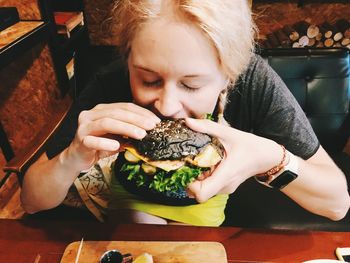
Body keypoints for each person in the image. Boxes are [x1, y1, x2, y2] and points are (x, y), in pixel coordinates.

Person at [21, 0, 350, 226]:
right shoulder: (112, 81)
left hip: (206, 221)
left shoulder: (255, 81)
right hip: (128, 214)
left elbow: (336, 204)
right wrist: (71, 158)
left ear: (229, 75)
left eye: (192, 85)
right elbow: (31, 201)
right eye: (149, 79)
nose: (166, 105)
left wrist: (271, 158)